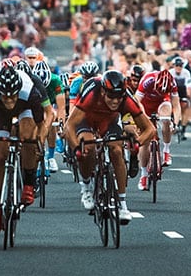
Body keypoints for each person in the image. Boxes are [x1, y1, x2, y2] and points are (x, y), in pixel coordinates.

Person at [64, 70, 155, 222]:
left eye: (118, 98)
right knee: (88, 148)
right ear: (103, 91)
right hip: (86, 119)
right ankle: (86, 186)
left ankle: (122, 205)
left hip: (109, 121)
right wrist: (76, 149)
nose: (115, 101)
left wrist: (137, 144)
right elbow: (69, 126)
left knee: (116, 151)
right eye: (111, 96)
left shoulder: (126, 98)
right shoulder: (92, 93)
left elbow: (150, 129)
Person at [0, 66, 45, 234]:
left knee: (28, 136)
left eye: (12, 97)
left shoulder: (30, 92)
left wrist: (38, 143)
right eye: (5, 97)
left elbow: (40, 125)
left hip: (25, 108)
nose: (9, 102)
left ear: (18, 91)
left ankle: (29, 184)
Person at [133, 67, 183, 190]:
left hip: (162, 103)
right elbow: (136, 101)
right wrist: (143, 118)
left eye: (163, 90)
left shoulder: (172, 83)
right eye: (159, 90)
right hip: (145, 104)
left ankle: (166, 151)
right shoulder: (147, 80)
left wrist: (175, 123)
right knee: (145, 141)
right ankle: (144, 175)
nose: (160, 92)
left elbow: (176, 105)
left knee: (166, 119)